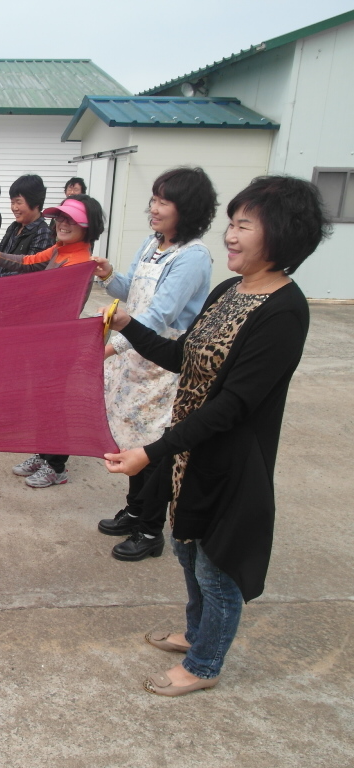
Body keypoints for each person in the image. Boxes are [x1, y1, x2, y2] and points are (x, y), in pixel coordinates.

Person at [103, 175, 329, 696]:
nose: (230, 234)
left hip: (229, 459)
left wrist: (151, 451)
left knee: (216, 569)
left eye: (244, 225)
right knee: (186, 549)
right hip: (191, 450)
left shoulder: (284, 311)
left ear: (282, 235)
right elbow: (184, 357)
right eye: (231, 223)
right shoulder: (230, 289)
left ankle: (205, 665)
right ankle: (195, 634)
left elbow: (233, 406)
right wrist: (130, 324)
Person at [92, 167, 217, 562]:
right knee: (130, 442)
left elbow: (158, 317)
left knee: (155, 449)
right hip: (134, 360)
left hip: (161, 366)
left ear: (188, 209)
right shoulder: (152, 243)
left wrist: (107, 350)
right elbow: (133, 290)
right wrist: (110, 275)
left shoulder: (192, 257)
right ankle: (134, 510)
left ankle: (150, 530)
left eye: (165, 202)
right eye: (154, 199)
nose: (155, 208)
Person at [0, 195, 105, 487]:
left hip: (59, 344)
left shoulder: (80, 261)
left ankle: (57, 465)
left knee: (54, 404)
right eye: (59, 218)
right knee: (42, 400)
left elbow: (45, 294)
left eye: (70, 219)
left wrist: (2, 289)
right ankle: (43, 453)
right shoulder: (61, 249)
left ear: (89, 226)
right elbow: (29, 262)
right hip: (43, 339)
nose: (62, 224)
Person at [0, 174, 55, 276]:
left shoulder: (43, 232)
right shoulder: (14, 227)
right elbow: (0, 254)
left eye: (18, 202)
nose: (14, 208)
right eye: (12, 202)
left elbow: (31, 271)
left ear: (35, 202)